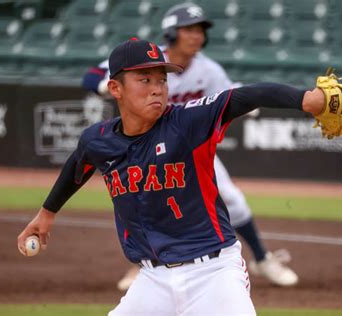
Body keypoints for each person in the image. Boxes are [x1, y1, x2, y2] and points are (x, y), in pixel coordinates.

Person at [18, 36, 333, 315]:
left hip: (214, 274)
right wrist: (47, 214)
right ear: (115, 88)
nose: (157, 88)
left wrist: (306, 100)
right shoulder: (99, 140)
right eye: (145, 79)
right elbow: (79, 163)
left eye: (162, 79)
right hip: (152, 280)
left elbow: (246, 96)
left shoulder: (188, 122)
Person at [82, 2, 298, 291]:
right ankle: (140, 268)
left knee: (232, 199)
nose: (197, 36)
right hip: (143, 146)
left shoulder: (208, 70)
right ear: (172, 32)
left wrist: (248, 103)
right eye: (189, 29)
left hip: (189, 151)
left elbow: (228, 96)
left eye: (200, 30)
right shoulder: (147, 58)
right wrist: (105, 86)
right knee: (139, 202)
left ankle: (261, 258)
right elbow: (91, 76)